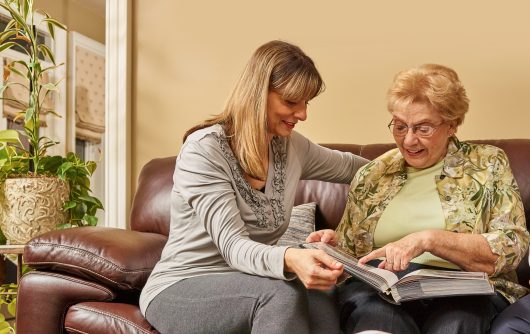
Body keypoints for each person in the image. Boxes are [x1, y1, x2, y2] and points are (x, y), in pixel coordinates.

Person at [139, 40, 368, 334]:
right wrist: (289, 257)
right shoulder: (204, 151)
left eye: (306, 103)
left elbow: (357, 168)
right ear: (259, 94)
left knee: (320, 288)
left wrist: (420, 158)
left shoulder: (291, 147)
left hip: (253, 279)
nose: (303, 114)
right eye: (291, 101)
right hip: (183, 287)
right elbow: (233, 247)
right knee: (279, 294)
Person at [308, 63, 529, 333]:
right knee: (375, 317)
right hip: (384, 293)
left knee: (457, 321)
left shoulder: (488, 164)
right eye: (400, 127)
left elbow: (512, 245)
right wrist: (332, 245)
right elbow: (352, 256)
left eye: (423, 128)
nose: (408, 140)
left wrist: (429, 240)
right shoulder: (373, 174)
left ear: (452, 125)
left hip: (462, 292)